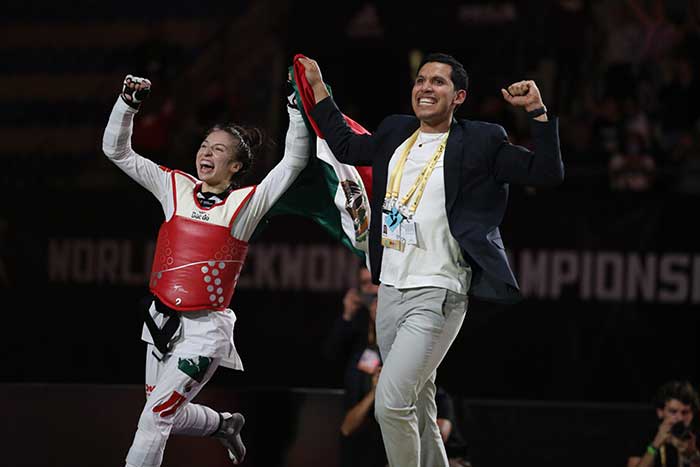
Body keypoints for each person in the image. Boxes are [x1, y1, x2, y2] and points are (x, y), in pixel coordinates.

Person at [297, 52, 564, 467]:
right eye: (421, 80)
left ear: (459, 96)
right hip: (390, 290)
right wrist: (316, 87)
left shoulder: (481, 140)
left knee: (391, 404)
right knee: (418, 404)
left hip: (438, 292)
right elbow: (346, 145)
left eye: (438, 82)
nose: (425, 88)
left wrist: (538, 113)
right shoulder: (394, 131)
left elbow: (546, 172)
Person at [102, 74, 310, 467]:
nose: (206, 152)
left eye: (218, 149)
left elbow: (293, 163)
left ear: (235, 165)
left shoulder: (246, 205)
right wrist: (127, 105)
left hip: (204, 333)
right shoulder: (174, 186)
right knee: (163, 410)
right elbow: (117, 152)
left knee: (155, 417)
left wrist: (296, 111)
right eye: (203, 145)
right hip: (160, 322)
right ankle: (222, 425)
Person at [323, 265, 386, 467]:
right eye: (365, 284)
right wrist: (347, 314)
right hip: (358, 424)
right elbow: (330, 359)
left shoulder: (402, 326)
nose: (372, 290)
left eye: (375, 283)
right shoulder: (357, 329)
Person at [627, 380, 700, 467]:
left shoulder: (695, 438)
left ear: (692, 414)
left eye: (685, 412)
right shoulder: (644, 436)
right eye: (673, 411)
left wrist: (693, 456)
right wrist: (654, 446)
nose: (680, 418)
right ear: (660, 412)